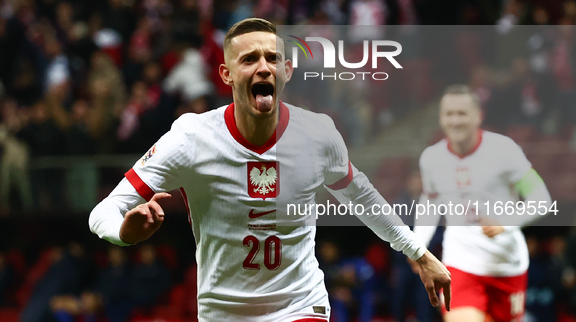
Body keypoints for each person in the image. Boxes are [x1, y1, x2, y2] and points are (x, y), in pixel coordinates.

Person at [89, 18, 451, 321]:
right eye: (248, 59)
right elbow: (103, 211)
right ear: (226, 74)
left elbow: (364, 200)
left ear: (286, 70)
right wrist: (123, 232)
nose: (263, 66)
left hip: (299, 304)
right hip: (224, 312)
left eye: (272, 58)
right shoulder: (191, 138)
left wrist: (419, 253)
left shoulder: (318, 134)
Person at [413, 84, 553, 322]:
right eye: (449, 114)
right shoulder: (431, 159)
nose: (455, 121)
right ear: (441, 118)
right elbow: (431, 202)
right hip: (460, 263)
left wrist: (505, 223)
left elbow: (542, 200)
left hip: (506, 264)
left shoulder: (505, 150)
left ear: (479, 116)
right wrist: (418, 244)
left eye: (462, 113)